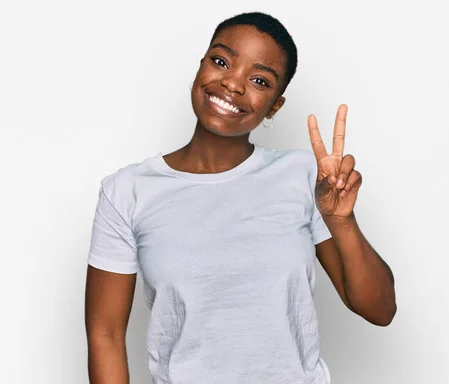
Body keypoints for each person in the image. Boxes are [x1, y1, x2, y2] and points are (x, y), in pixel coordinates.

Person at [84, 11, 396, 384]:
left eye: (260, 80)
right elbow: (105, 335)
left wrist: (342, 220)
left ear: (274, 106)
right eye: (221, 61)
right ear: (200, 67)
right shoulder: (127, 191)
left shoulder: (303, 176)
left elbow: (380, 310)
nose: (232, 84)